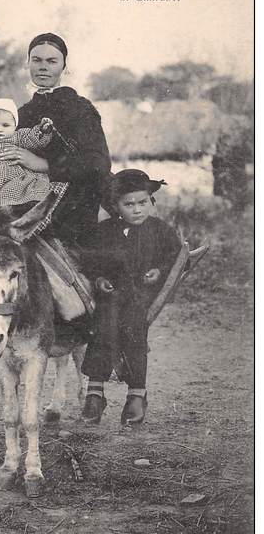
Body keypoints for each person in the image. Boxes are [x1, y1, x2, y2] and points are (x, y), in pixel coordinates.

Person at [81, 169, 181, 425]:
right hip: (111, 292)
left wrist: (159, 271)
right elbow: (89, 261)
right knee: (102, 326)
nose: (137, 210)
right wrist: (98, 279)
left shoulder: (160, 230)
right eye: (129, 204)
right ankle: (95, 391)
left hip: (141, 294)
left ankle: (137, 393)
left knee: (134, 327)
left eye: (142, 202)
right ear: (115, 207)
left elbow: (176, 257)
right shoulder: (104, 231)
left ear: (151, 201)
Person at [0, 33, 112, 248]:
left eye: (52, 61)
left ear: (64, 67)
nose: (43, 67)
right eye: (37, 60)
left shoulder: (80, 109)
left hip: (77, 199)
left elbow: (99, 163)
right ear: (28, 64)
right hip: (30, 196)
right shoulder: (21, 114)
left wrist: (43, 165)